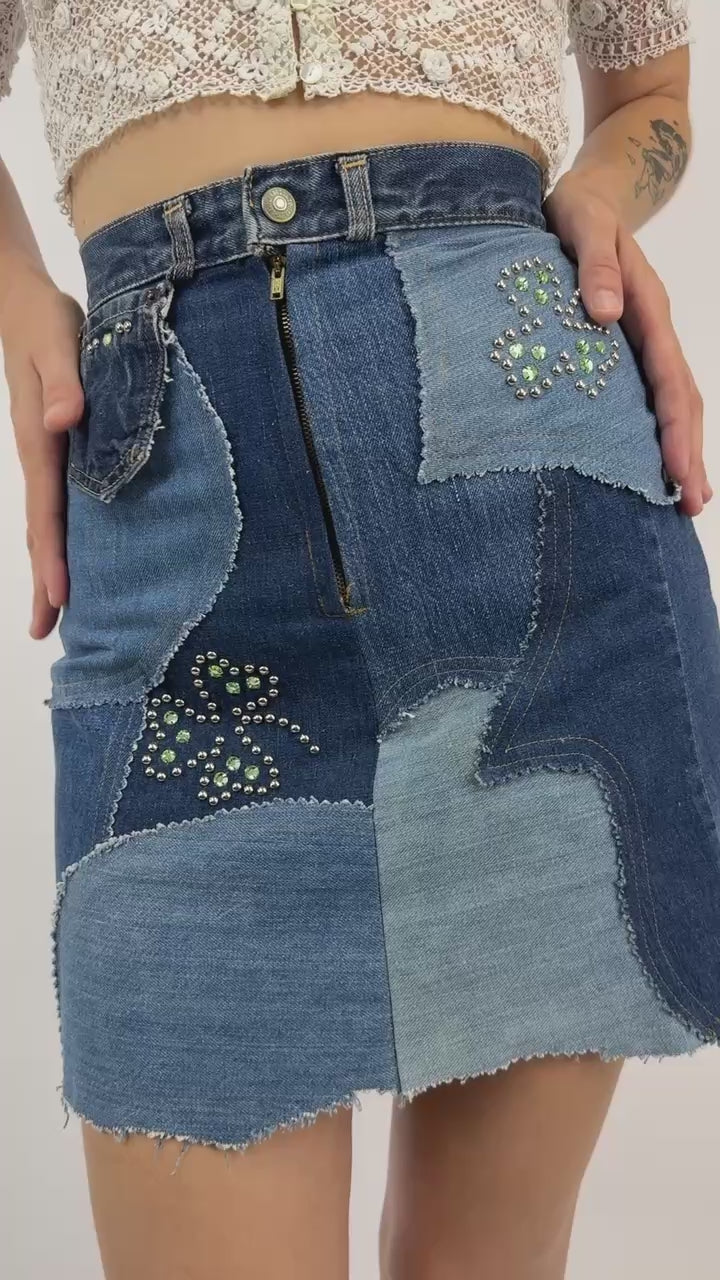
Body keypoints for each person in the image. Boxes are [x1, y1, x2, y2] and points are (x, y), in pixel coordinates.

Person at [1, 3, 719, 1278]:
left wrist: (607, 193)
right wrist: (18, 304)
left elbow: (649, 96)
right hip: (172, 520)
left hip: (533, 489)